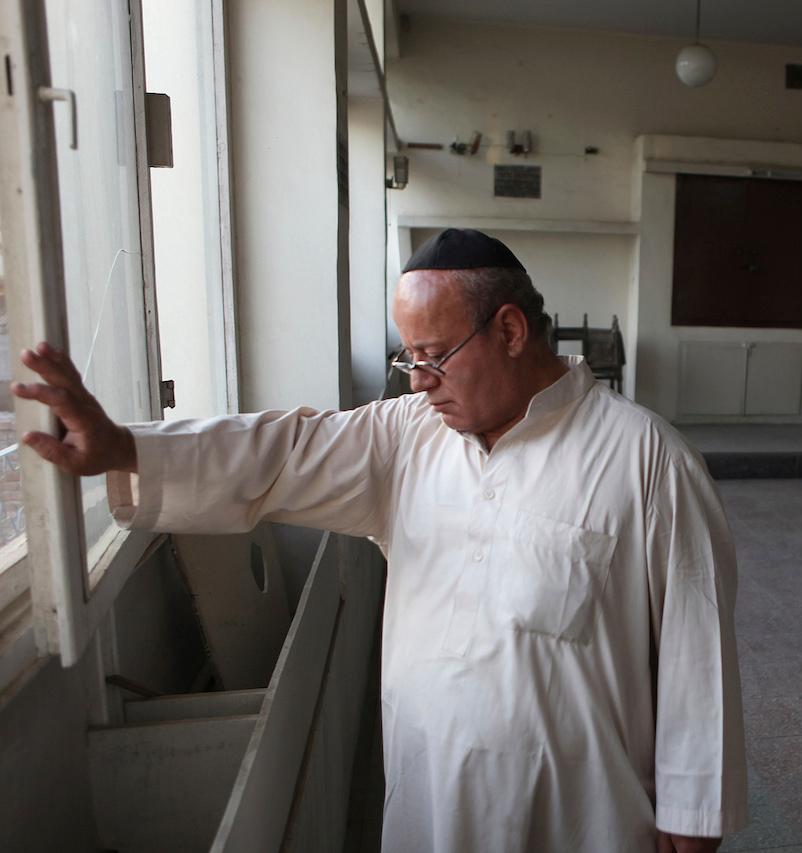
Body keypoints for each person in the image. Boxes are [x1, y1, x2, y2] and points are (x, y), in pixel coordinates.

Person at [12, 228, 747, 852]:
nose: (418, 380)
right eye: (408, 358)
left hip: (576, 816)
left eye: (433, 355)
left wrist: (693, 811)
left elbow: (695, 642)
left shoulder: (644, 458)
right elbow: (282, 451)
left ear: (512, 331)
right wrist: (124, 448)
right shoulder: (406, 439)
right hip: (431, 802)